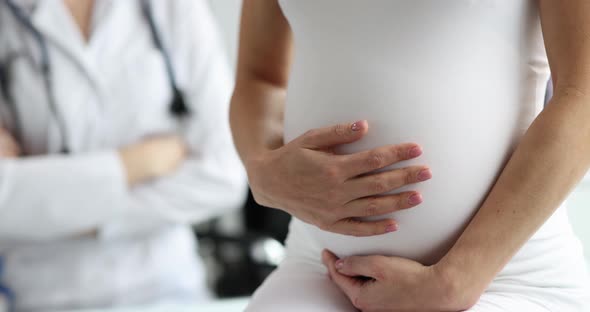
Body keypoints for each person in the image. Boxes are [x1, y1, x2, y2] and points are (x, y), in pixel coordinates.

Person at [230, 0, 590, 311]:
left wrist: (456, 278)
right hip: (322, 266)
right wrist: (260, 168)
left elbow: (583, 96)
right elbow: (260, 78)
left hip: (508, 276)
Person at [0, 0, 247, 311]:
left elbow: (224, 175)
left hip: (173, 292)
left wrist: (46, 202)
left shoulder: (172, 7)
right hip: (40, 299)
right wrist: (138, 163)